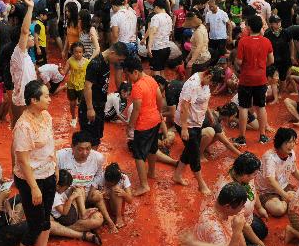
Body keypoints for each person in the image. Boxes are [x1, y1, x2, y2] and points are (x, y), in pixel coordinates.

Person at [12, 80, 58, 246]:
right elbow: (22, 160)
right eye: (46, 96)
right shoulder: (23, 126)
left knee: (46, 219)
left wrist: (55, 165)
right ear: (33, 100)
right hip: (31, 179)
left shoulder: (45, 115)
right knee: (34, 224)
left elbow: (51, 142)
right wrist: (33, 187)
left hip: (48, 172)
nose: (49, 99)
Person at [191, 182, 268, 246]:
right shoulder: (214, 229)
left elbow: (239, 236)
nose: (243, 208)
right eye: (241, 206)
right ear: (228, 207)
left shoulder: (220, 206)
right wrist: (237, 231)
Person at [173, 66, 221, 194]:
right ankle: (201, 184)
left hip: (197, 122)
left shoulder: (204, 81)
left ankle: (177, 175)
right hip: (187, 123)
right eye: (211, 83)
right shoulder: (193, 85)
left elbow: (203, 100)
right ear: (208, 76)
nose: (210, 85)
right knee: (194, 154)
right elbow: (185, 106)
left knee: (190, 149)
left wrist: (209, 113)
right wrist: (183, 128)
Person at [125, 56, 168, 196]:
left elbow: (136, 109)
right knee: (152, 148)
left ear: (135, 72)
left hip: (143, 124)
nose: (129, 78)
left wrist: (130, 125)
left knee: (138, 155)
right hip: (155, 120)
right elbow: (159, 97)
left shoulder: (137, 87)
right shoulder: (151, 79)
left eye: (129, 74)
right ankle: (152, 172)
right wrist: (159, 112)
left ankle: (144, 185)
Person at [56, 131, 114, 229]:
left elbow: (99, 174)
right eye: (80, 149)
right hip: (69, 200)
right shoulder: (60, 156)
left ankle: (62, 229)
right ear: (72, 147)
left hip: (87, 196)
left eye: (88, 149)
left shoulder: (98, 158)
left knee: (98, 219)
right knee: (79, 191)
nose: (85, 153)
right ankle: (74, 227)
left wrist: (93, 189)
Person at [235, 15, 274, 145]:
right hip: (261, 79)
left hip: (246, 79)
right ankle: (262, 136)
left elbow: (239, 61)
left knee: (244, 107)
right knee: (261, 107)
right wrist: (262, 67)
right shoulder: (266, 41)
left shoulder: (243, 41)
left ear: (249, 27)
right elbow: (271, 60)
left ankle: (241, 138)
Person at [80, 42, 128, 147]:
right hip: (91, 106)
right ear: (112, 53)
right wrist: (90, 108)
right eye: (119, 59)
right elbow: (87, 87)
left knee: (96, 137)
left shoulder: (106, 62)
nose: (119, 62)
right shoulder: (95, 63)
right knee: (87, 139)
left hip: (100, 106)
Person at [255, 128, 299, 217]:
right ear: (279, 143)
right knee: (279, 210)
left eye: (293, 141)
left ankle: (285, 201)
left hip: (283, 186)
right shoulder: (270, 157)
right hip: (267, 191)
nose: (292, 145)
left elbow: (295, 171)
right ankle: (285, 201)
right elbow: (271, 180)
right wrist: (286, 196)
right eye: (288, 142)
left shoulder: (291, 153)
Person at [49, 170, 104, 243]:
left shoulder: (59, 190)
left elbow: (65, 199)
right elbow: (64, 212)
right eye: (65, 188)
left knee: (79, 190)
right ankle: (79, 229)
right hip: (66, 217)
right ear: (58, 186)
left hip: (70, 211)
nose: (66, 189)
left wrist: (72, 189)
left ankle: (83, 213)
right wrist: (71, 198)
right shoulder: (54, 197)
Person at [10, 0, 38, 129]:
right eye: (30, 37)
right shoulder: (19, 53)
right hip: (22, 98)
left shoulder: (25, 55)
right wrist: (30, 8)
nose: (32, 37)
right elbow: (25, 31)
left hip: (27, 96)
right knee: (20, 129)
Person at [93, 162, 134, 230]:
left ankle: (118, 217)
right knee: (96, 193)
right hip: (103, 205)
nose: (109, 186)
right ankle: (107, 218)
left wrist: (124, 194)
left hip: (116, 206)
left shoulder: (124, 178)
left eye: (111, 184)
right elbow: (90, 197)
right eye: (107, 184)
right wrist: (99, 195)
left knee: (116, 189)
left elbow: (130, 200)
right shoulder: (100, 177)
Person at [63, 42, 89, 129]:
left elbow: (90, 75)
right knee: (72, 103)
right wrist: (60, 71)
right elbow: (64, 72)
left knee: (82, 104)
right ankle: (74, 118)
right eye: (76, 52)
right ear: (72, 52)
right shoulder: (70, 60)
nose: (78, 54)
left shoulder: (87, 62)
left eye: (80, 52)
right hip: (71, 86)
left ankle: (82, 118)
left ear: (83, 52)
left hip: (82, 86)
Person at [148, 0, 174, 76]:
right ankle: (163, 86)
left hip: (157, 48)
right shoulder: (168, 17)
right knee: (162, 69)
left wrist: (149, 46)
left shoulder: (156, 17)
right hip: (166, 47)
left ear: (156, 7)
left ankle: (158, 87)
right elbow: (170, 32)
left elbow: (152, 33)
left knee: (156, 71)